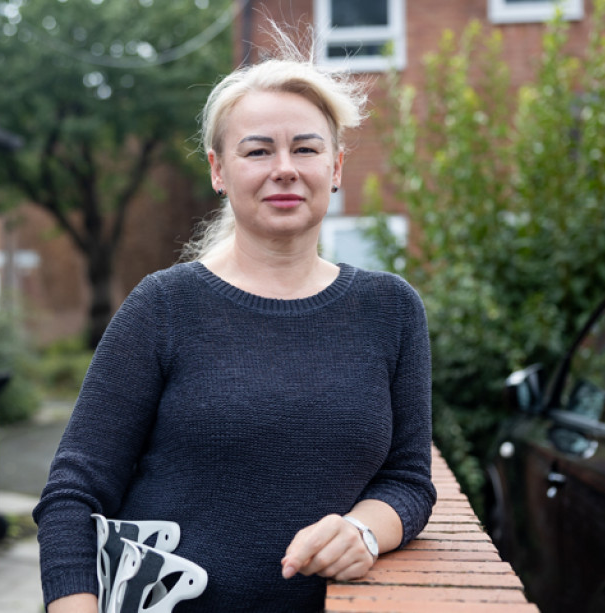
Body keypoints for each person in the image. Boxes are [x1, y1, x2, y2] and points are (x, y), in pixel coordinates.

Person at [33, 30, 436, 613]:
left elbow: (408, 481)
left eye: (305, 148)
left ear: (337, 165)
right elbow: (72, 494)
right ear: (219, 171)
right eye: (257, 151)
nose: (284, 169)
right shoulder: (163, 307)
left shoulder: (390, 309)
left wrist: (364, 532)